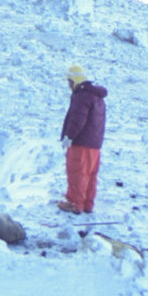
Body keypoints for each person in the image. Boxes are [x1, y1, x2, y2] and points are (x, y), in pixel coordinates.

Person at [59, 64, 107, 214]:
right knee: (90, 175)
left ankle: (75, 203)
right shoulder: (97, 96)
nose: (69, 85)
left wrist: (69, 136)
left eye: (70, 81)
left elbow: (77, 120)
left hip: (81, 143)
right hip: (95, 144)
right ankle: (87, 204)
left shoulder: (82, 97)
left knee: (77, 173)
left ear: (75, 81)